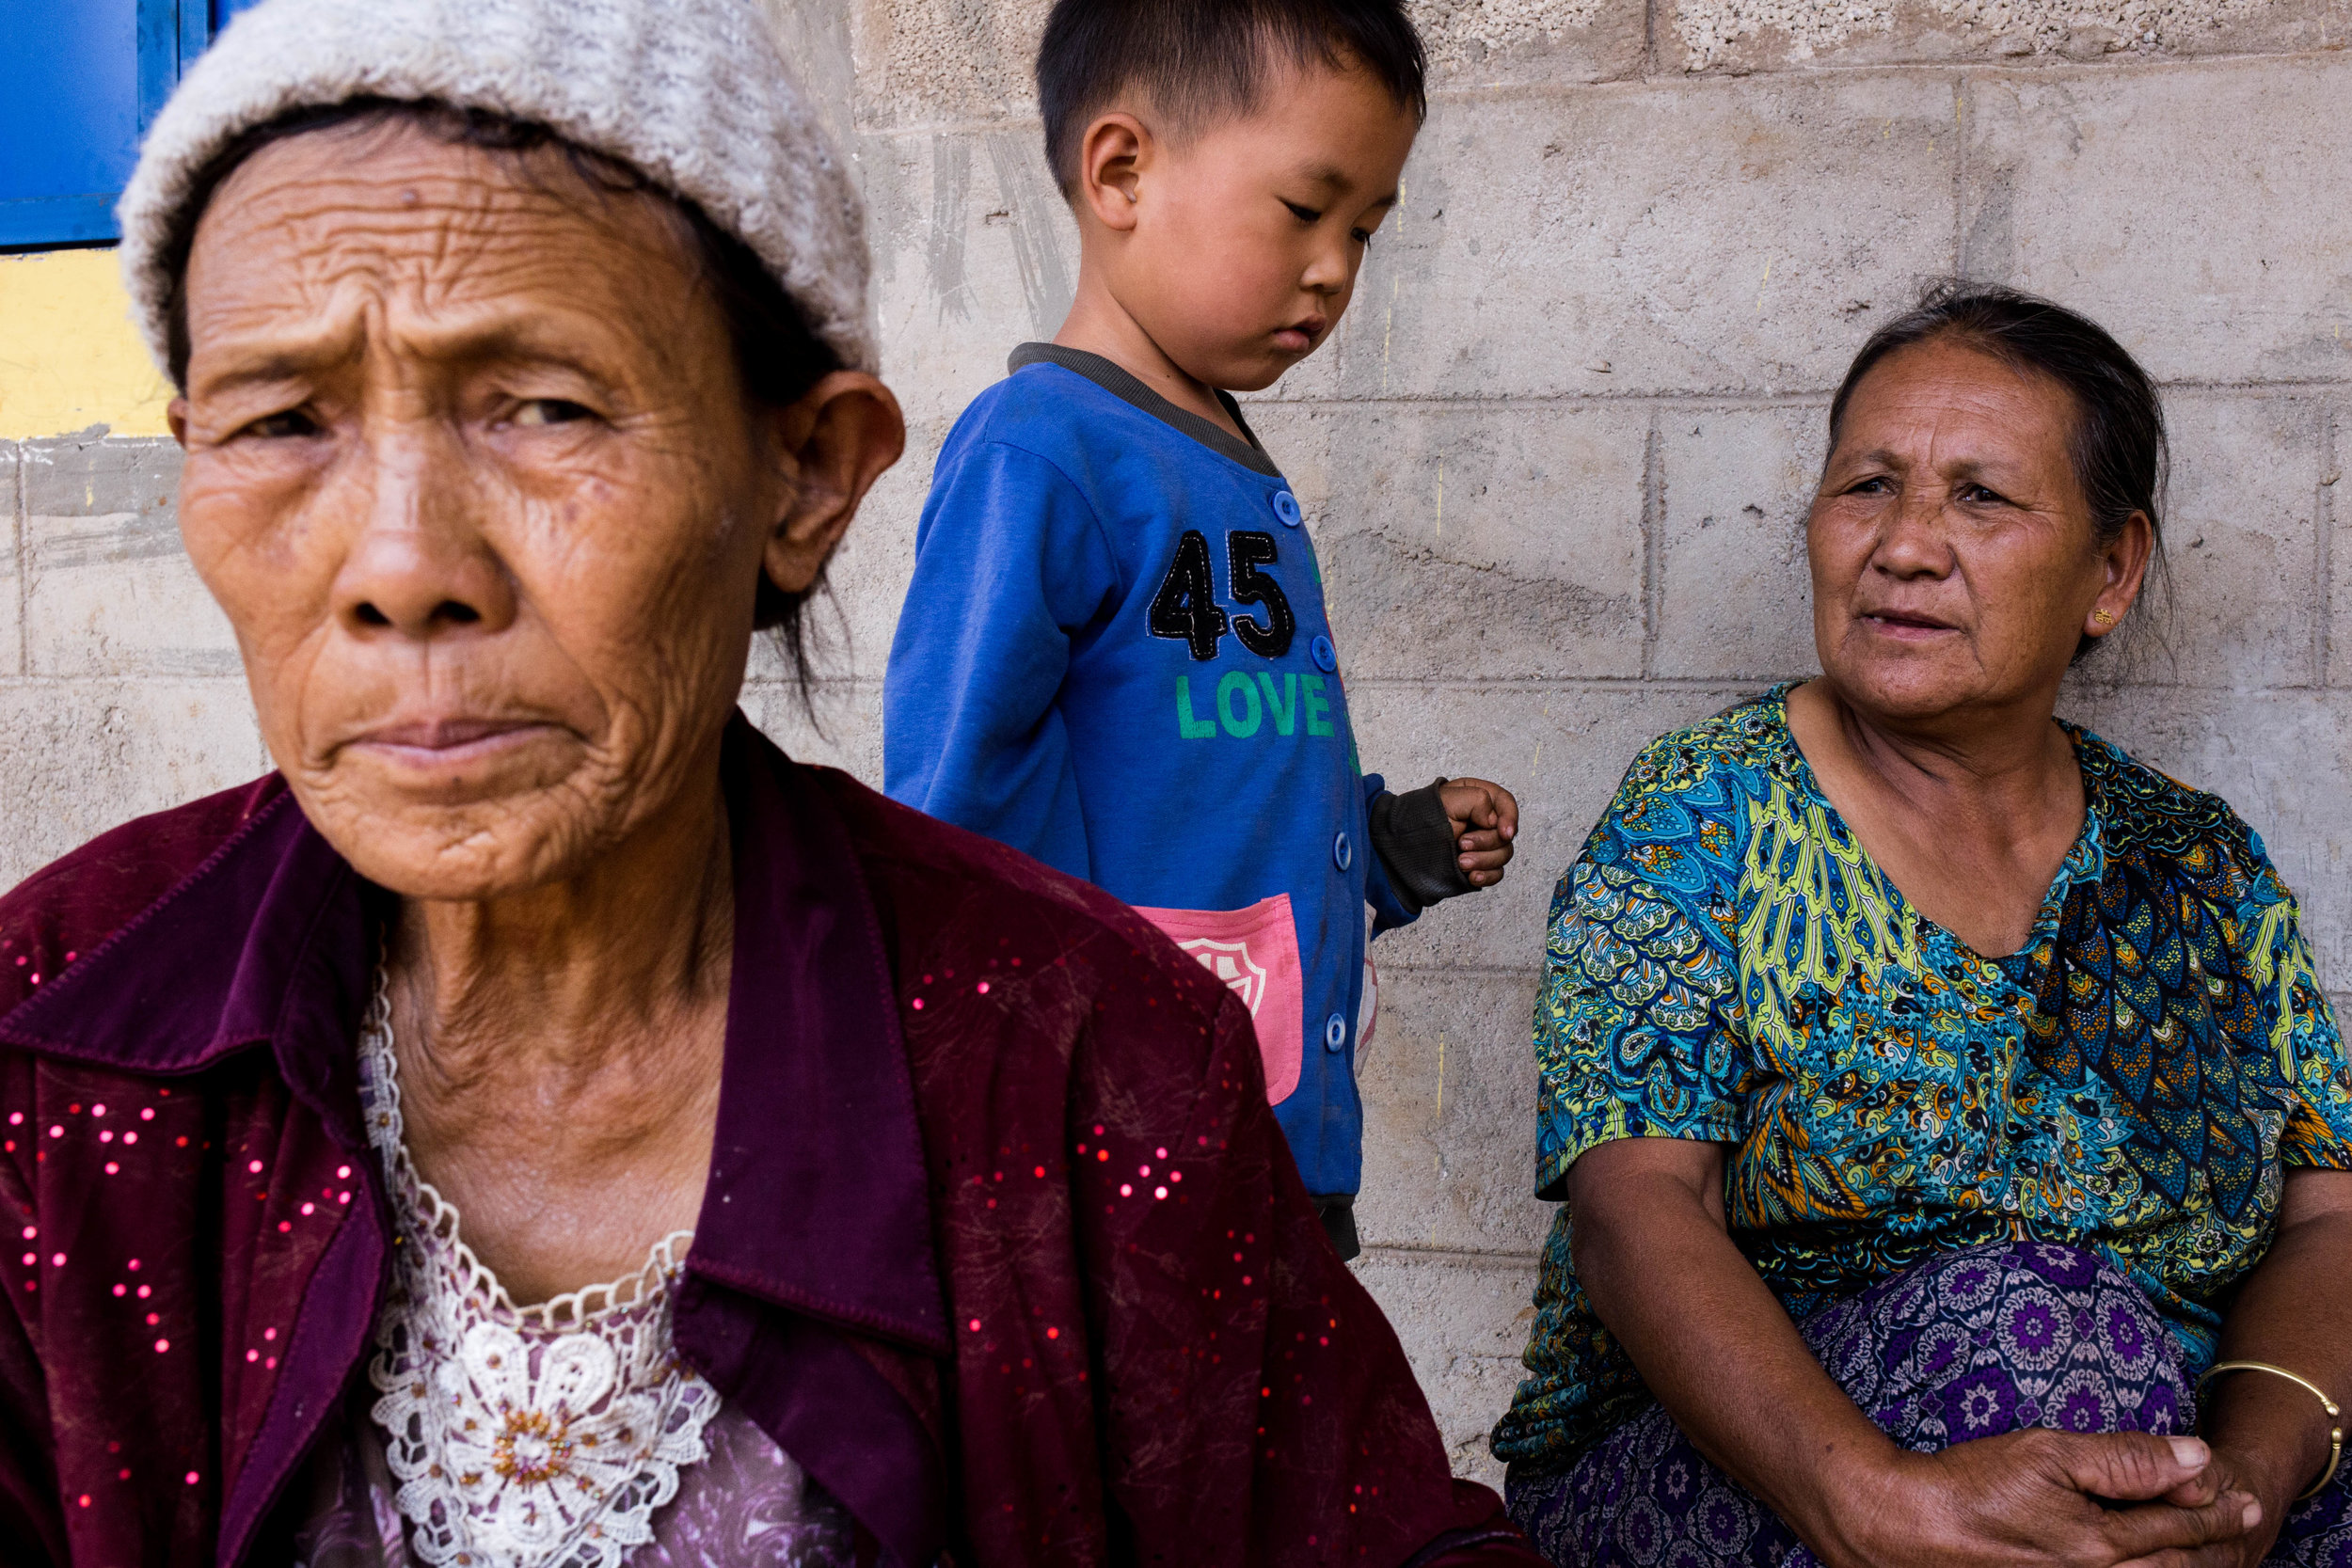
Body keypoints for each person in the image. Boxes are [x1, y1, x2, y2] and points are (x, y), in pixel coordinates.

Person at [0, 1, 1545, 1562]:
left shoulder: (1098, 1079)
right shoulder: (55, 1043)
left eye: (544, 407)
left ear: (805, 481)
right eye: (278, 422)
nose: (401, 569)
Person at [1490, 283, 2352, 1568]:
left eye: (1981, 498)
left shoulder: (2198, 865)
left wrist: (2247, 1486)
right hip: (1760, 1471)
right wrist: (1872, 1499)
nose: (1903, 545)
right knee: (2041, 1324)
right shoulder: (1704, 815)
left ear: (2110, 572)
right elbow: (1635, 1211)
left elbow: (2330, 1219)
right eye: (1867, 487)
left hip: (2157, 1447)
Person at [882, 0, 1518, 1262]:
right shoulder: (1045, 456)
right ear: (1123, 171)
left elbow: (1211, 799)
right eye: (1303, 209)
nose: (1335, 266)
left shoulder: (1222, 463)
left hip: (1266, 1153)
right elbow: (951, 821)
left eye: (1365, 230)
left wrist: (1387, 852)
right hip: (1118, 1176)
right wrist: (991, 1119)